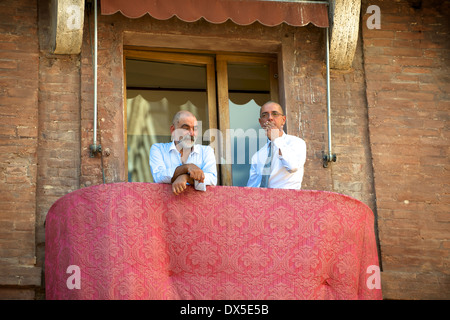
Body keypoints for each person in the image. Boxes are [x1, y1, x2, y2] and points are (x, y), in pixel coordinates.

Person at [150, 110, 217, 195]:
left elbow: (212, 179)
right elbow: (158, 177)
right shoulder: (158, 149)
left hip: (197, 206)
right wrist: (186, 167)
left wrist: (186, 177)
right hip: (165, 206)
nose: (192, 133)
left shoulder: (206, 151)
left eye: (195, 129)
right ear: (173, 130)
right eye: (186, 128)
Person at [247, 101, 306, 189]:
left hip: (288, 200)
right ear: (260, 122)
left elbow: (292, 167)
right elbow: (252, 188)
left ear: (283, 120)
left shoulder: (296, 143)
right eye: (265, 115)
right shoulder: (257, 156)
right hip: (264, 201)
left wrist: (276, 138)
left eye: (275, 114)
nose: (270, 118)